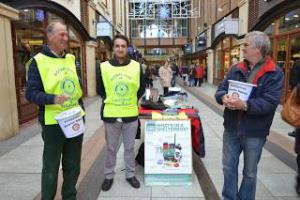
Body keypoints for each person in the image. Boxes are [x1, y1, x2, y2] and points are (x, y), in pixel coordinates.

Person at [215, 31, 284, 200]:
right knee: (228, 168)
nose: (242, 48)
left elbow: (269, 103)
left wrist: (244, 105)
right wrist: (223, 97)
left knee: (250, 173)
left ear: (258, 48)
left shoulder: (274, 72)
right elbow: (221, 90)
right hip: (231, 128)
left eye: (246, 45)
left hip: (255, 132)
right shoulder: (235, 68)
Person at [26, 21, 85, 199]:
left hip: (74, 119)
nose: (65, 38)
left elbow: (76, 85)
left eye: (66, 35)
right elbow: (31, 94)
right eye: (61, 34)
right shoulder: (38, 61)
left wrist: (81, 108)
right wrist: (52, 99)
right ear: (49, 36)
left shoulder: (70, 58)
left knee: (73, 164)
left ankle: (69, 196)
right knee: (51, 166)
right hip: (53, 123)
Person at [96, 34, 145, 191]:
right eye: (117, 46)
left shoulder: (136, 66)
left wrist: (130, 100)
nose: (120, 48)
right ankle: (109, 175)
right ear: (113, 48)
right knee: (111, 147)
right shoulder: (103, 67)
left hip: (130, 114)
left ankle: (130, 174)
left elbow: (141, 88)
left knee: (130, 147)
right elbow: (100, 89)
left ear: (127, 47)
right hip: (111, 114)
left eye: (123, 46)